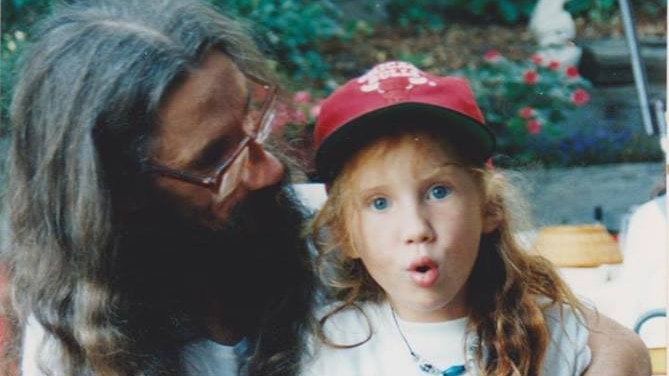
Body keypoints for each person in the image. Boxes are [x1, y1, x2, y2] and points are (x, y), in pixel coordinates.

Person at [1, 0, 314, 375]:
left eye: (250, 114)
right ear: (119, 197)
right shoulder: (69, 357)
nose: (271, 169)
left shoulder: (345, 236)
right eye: (212, 158)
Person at [301, 61, 650, 375]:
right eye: (379, 203)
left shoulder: (560, 333)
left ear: (489, 207)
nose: (416, 229)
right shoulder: (330, 350)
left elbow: (627, 351)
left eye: (438, 191)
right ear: (345, 234)